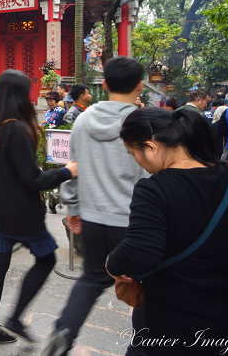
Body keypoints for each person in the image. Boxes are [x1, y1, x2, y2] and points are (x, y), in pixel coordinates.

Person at [106, 107, 228, 355]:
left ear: (151, 147)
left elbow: (140, 252)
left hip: (172, 327)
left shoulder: (154, 190)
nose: (137, 162)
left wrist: (112, 264)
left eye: (133, 154)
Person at [42, 56, 149, 355]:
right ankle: (143, 346)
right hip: (133, 222)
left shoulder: (84, 120)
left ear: (103, 85)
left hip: (92, 218)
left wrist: (73, 208)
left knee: (92, 278)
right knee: (147, 283)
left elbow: (73, 168)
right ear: (140, 85)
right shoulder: (143, 123)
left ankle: (65, 329)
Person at [0, 71, 78, 346]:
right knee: (47, 260)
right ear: (20, 95)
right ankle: (15, 318)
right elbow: (32, 179)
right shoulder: (18, 130)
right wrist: (68, 172)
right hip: (21, 213)